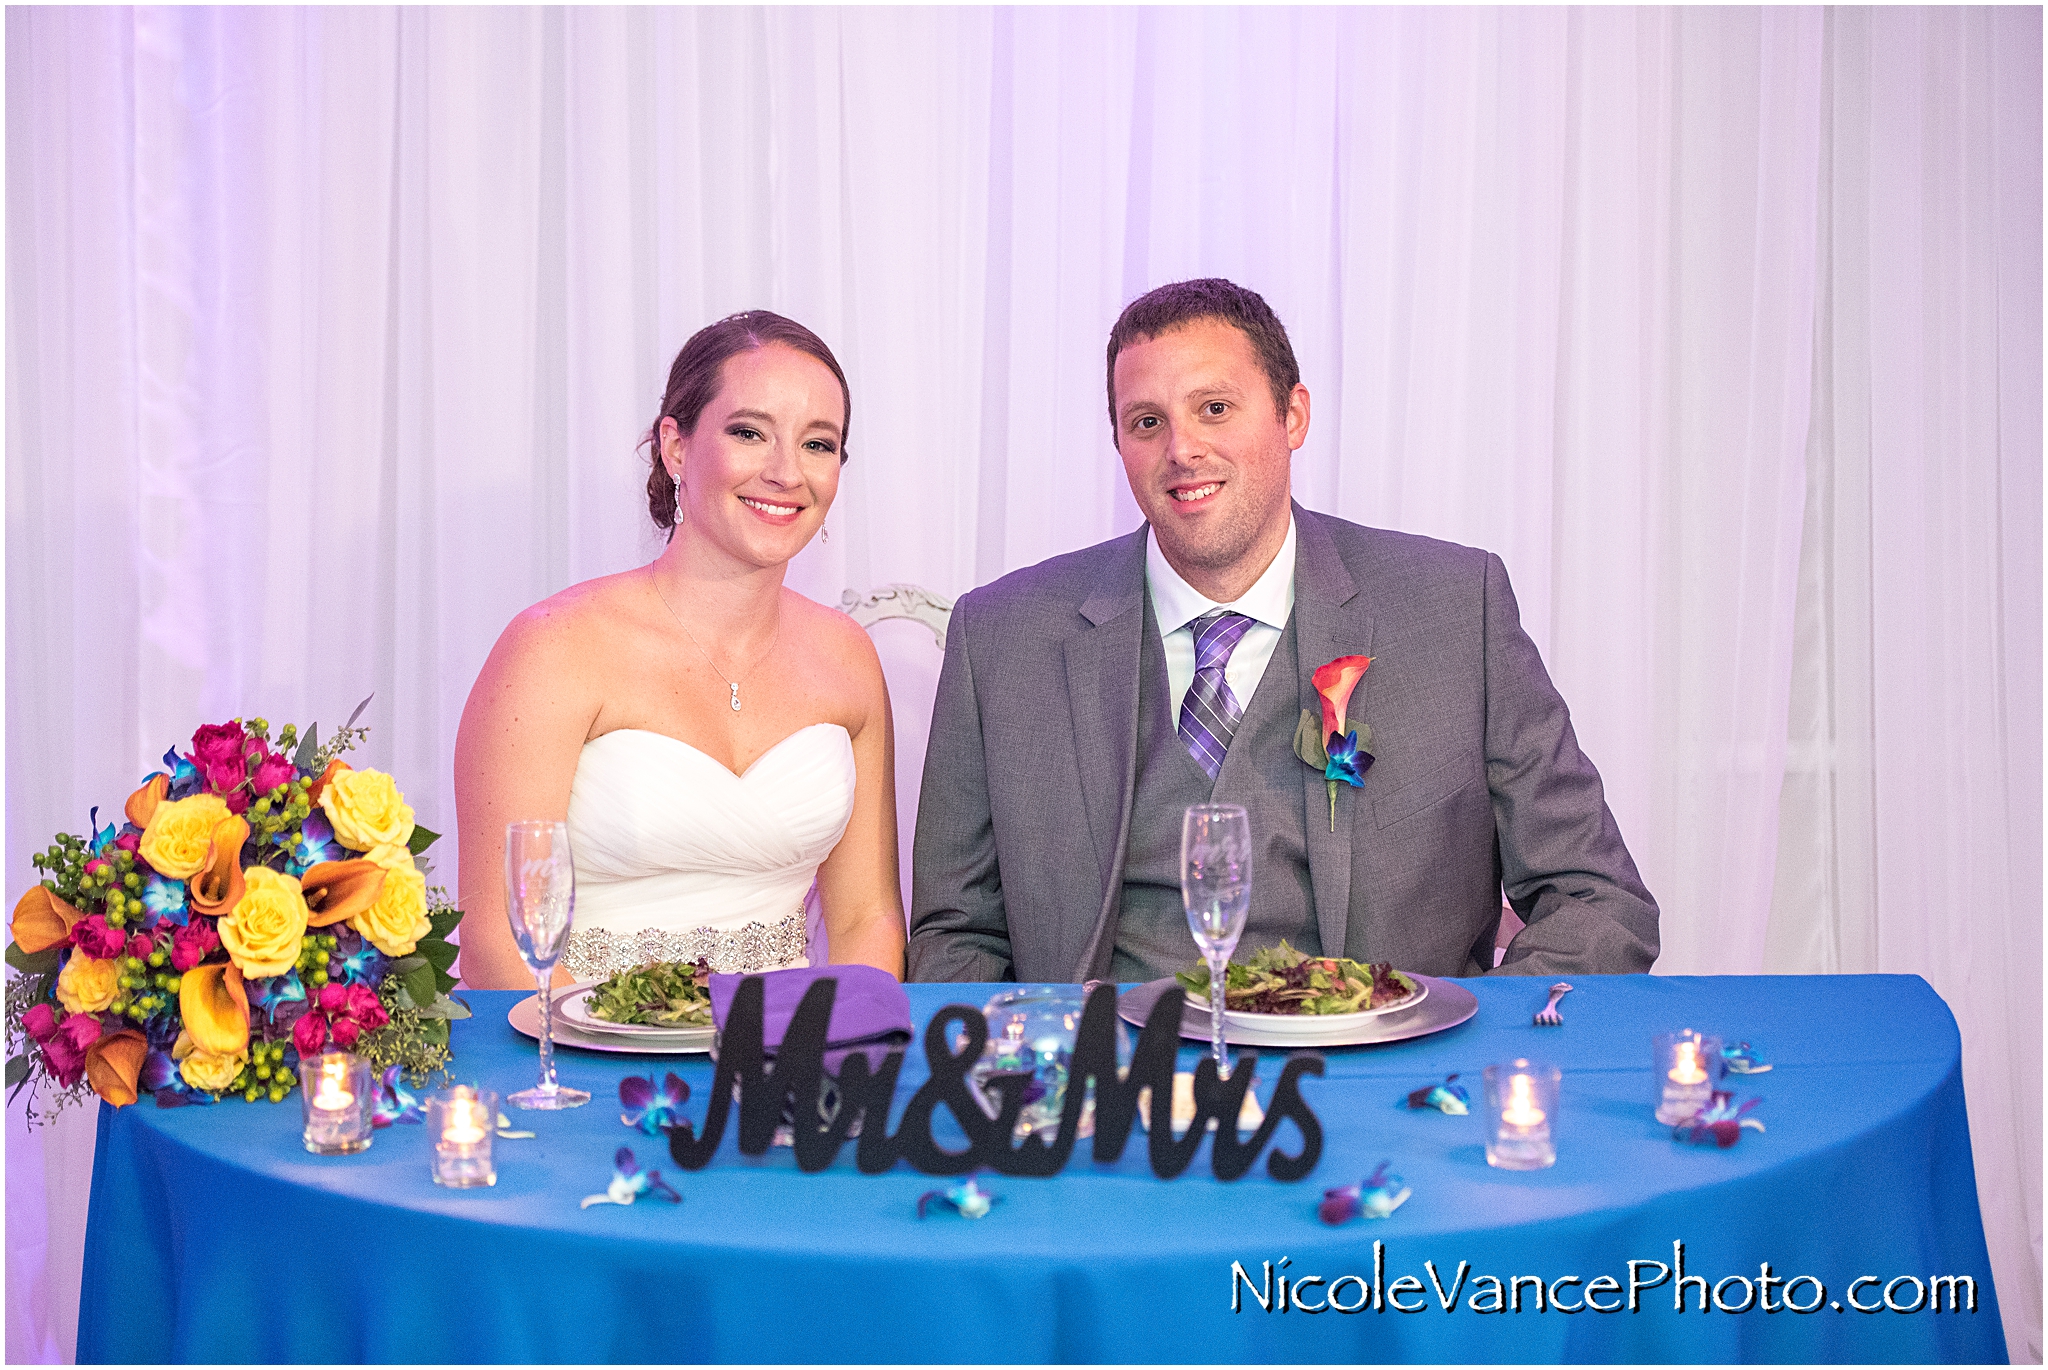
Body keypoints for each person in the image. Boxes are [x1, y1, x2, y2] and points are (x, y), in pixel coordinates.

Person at [908, 279, 1658, 984]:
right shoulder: (1002, 639)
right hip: (1108, 1093)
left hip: (1374, 1095)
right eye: (1147, 422)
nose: (1182, 450)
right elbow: (956, 938)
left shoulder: (1457, 611)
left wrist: (1456, 1035)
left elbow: (1598, 902)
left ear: (1292, 415)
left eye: (1215, 408)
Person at [455, 311, 906, 989]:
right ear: (675, 446)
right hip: (588, 1064)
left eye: (818, 444)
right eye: (750, 433)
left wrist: (838, 1061)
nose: (786, 472)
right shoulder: (553, 648)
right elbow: (498, 941)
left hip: (782, 1065)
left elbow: (865, 919)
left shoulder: (847, 658)